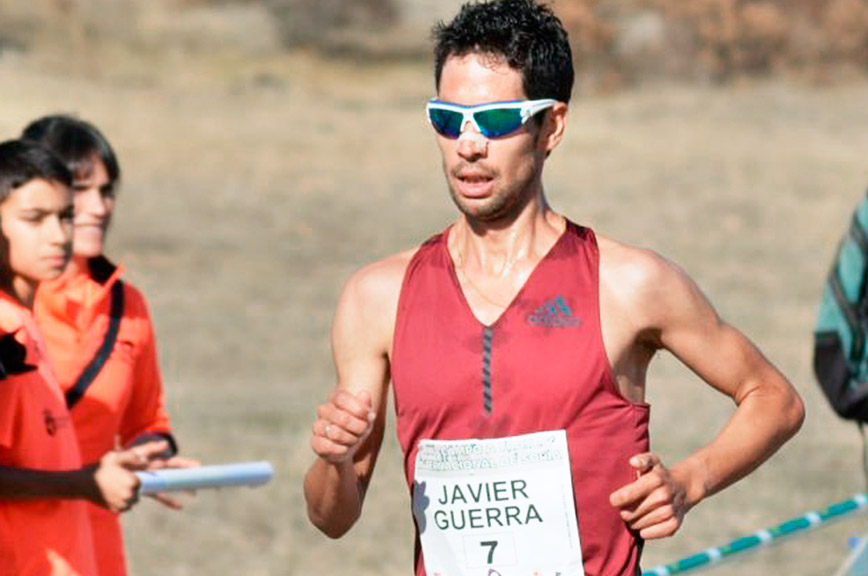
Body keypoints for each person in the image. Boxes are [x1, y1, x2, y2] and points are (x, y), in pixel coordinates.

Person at [303, 1, 804, 574]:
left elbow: (774, 400)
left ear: (552, 126)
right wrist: (335, 463)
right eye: (448, 119)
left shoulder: (627, 283)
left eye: (494, 122)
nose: (468, 145)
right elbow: (332, 517)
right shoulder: (378, 297)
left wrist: (691, 481)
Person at [20, 115, 194, 576]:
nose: (99, 206)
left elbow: (148, 418)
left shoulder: (127, 306)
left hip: (93, 548)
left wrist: (151, 455)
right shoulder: (11, 306)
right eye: (81, 189)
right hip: (18, 545)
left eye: (108, 189)